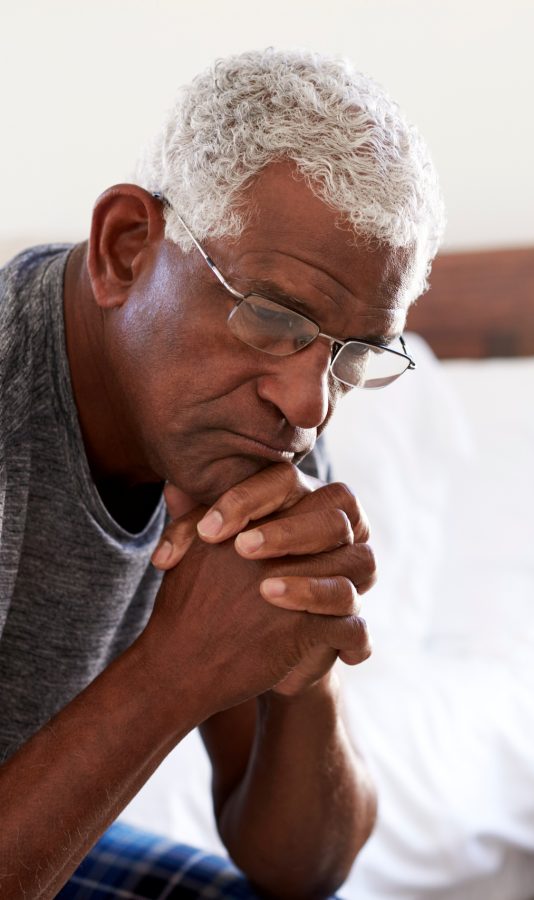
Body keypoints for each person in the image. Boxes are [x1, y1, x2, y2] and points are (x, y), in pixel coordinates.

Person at [0, 48, 445, 899]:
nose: (311, 406)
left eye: (351, 359)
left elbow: (300, 871)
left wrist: (302, 673)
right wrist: (176, 670)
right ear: (126, 249)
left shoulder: (263, 421)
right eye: (273, 316)